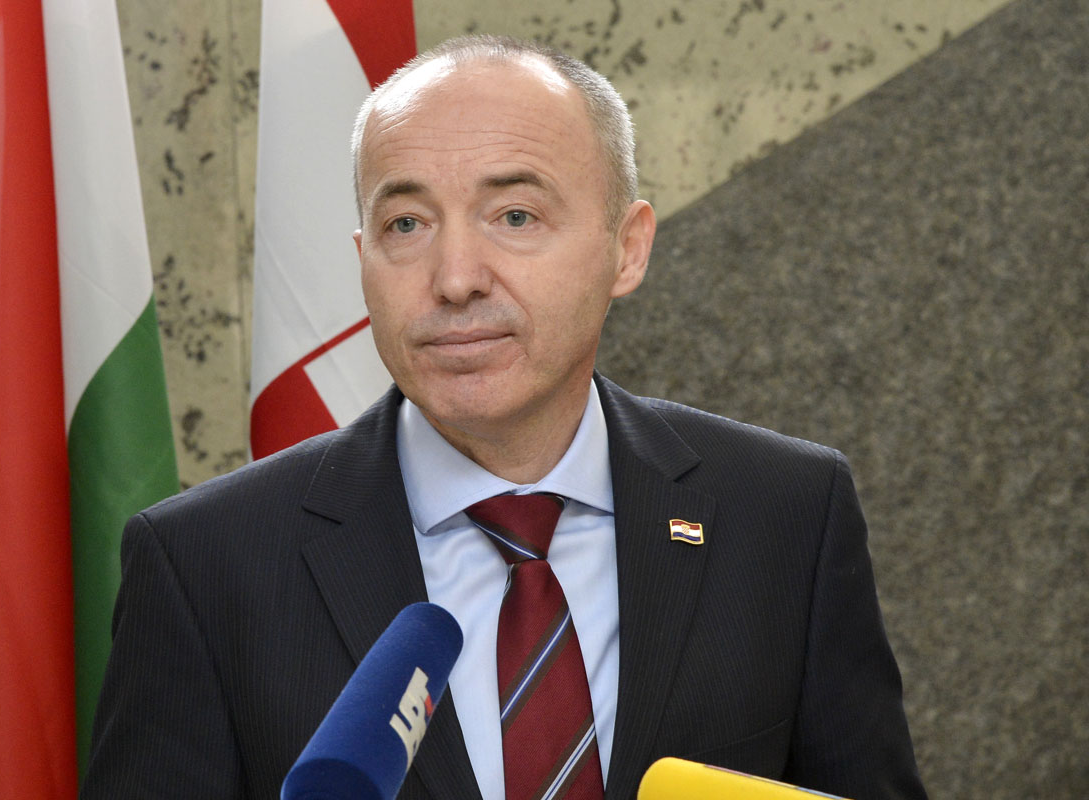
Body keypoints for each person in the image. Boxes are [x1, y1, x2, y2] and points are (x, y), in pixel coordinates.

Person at [82, 35, 927, 800]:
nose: (455, 278)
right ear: (363, 261)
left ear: (627, 247)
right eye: (406, 224)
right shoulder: (204, 564)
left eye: (515, 215)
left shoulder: (786, 511)